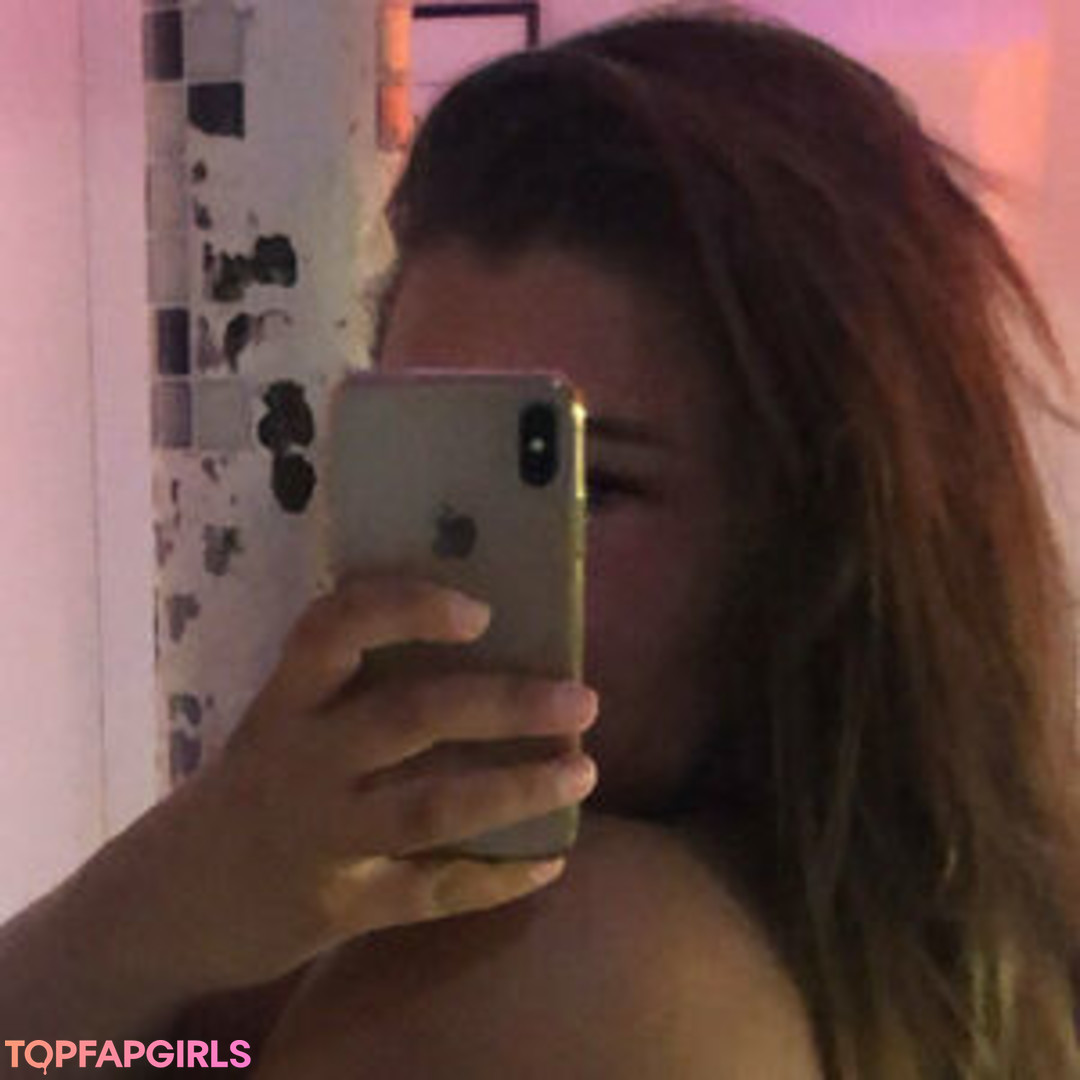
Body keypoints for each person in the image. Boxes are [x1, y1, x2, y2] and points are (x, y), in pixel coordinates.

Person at [3, 8, 1078, 1078]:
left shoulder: (570, 968)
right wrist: (178, 904)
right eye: (425, 470)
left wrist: (144, 915)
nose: (450, 583)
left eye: (591, 486)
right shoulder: (908, 938)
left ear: (817, 537)